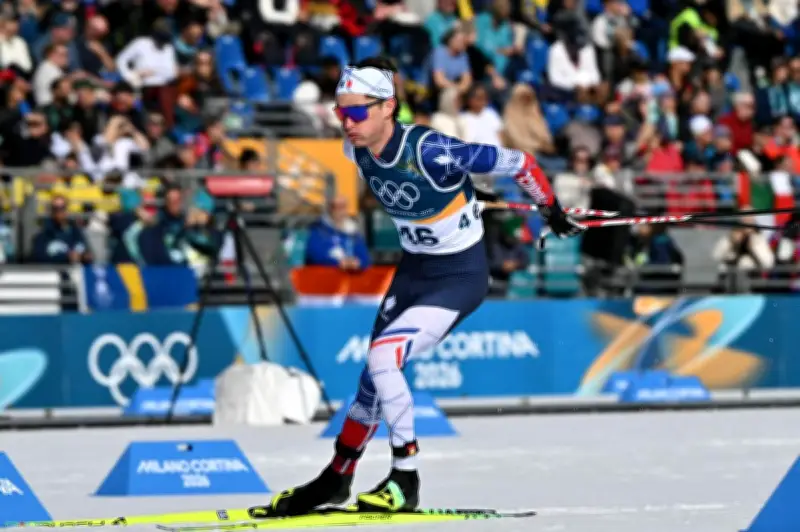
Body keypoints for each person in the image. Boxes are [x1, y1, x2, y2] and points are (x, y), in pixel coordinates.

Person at [263, 56, 586, 517]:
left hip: (458, 277)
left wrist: (550, 207)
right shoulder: (355, 148)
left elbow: (519, 161)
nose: (346, 122)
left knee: (383, 357)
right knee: (370, 384)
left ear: (388, 107)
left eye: (356, 112)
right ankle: (337, 477)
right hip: (415, 272)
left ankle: (405, 478)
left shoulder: (433, 151)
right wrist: (464, 201)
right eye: (340, 111)